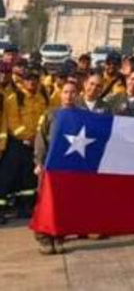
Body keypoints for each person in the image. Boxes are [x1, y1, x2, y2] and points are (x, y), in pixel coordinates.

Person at [31, 77, 80, 254]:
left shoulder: (82, 116)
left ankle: (59, 236)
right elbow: (40, 140)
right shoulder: (50, 113)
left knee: (63, 204)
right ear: (60, 94)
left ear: (77, 94)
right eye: (66, 92)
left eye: (73, 92)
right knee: (44, 202)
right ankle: (44, 238)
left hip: (69, 168)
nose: (69, 95)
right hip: (49, 166)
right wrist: (39, 162)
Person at [1, 71, 49, 219]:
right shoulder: (14, 98)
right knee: (7, 177)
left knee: (29, 178)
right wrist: (29, 137)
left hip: (35, 144)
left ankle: (26, 207)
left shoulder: (43, 98)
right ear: (23, 81)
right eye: (28, 80)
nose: (32, 83)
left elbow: (44, 118)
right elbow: (13, 123)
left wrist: (38, 137)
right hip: (17, 143)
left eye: (35, 79)